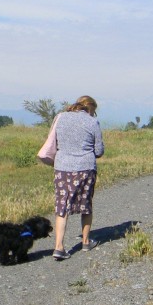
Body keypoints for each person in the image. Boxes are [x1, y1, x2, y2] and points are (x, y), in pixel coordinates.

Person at [50, 95, 104, 260]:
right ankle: (86, 242)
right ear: (90, 108)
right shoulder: (92, 122)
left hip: (62, 167)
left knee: (62, 205)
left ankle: (59, 247)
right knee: (85, 204)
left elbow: (54, 141)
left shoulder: (60, 117)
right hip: (85, 168)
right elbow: (99, 151)